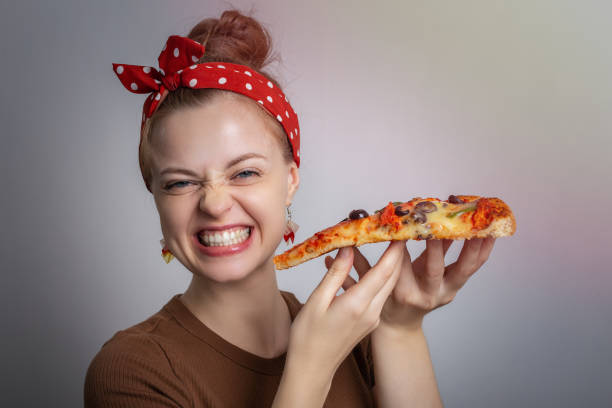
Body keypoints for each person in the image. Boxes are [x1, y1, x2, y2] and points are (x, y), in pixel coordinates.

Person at [84, 9, 496, 407]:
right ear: (155, 195)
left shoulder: (360, 332)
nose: (214, 203)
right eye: (180, 182)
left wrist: (400, 327)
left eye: (244, 173)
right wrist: (310, 367)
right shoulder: (132, 371)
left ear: (290, 181)